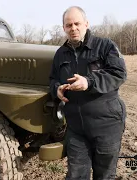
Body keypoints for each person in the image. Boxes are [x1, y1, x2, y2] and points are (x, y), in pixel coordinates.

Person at [49, 6, 127, 180]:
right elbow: (52, 79)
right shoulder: (60, 54)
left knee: (105, 175)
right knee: (76, 175)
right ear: (64, 28)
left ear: (86, 24)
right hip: (76, 129)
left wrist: (89, 82)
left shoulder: (105, 46)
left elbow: (119, 74)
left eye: (77, 23)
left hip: (106, 125)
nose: (73, 28)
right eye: (69, 25)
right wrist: (57, 89)